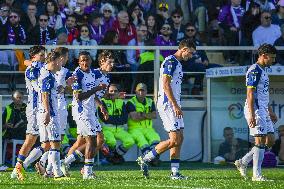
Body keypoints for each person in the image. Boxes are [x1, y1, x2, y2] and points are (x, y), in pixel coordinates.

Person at [136, 39, 196, 179]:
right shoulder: (171, 62)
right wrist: (175, 105)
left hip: (174, 104)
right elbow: (165, 85)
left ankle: (175, 173)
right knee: (174, 139)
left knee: (180, 138)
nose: (191, 56)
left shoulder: (178, 63)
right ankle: (145, 158)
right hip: (168, 104)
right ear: (184, 49)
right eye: (191, 53)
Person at [61, 50, 114, 179]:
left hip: (90, 111)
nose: (85, 62)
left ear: (91, 61)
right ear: (79, 62)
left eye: (87, 60)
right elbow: (79, 96)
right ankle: (86, 171)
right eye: (82, 60)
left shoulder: (91, 73)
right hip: (80, 111)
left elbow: (96, 94)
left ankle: (67, 162)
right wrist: (97, 89)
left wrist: (101, 105)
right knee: (93, 140)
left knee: (95, 140)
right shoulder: (78, 74)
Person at [234, 43, 278, 182]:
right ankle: (257, 175)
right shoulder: (254, 70)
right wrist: (252, 114)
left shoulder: (264, 70)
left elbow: (263, 94)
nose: (273, 60)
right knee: (259, 141)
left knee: (270, 140)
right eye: (271, 58)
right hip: (256, 110)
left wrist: (270, 110)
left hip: (263, 110)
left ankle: (243, 161)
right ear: (263, 56)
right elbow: (250, 94)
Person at [11, 45, 45, 180]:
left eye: (44, 54)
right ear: (34, 56)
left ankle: (23, 166)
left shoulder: (42, 67)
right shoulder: (32, 69)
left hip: (43, 108)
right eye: (41, 55)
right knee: (31, 139)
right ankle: (18, 167)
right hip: (35, 108)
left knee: (49, 142)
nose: (44, 57)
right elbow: (40, 88)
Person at [99, 84, 134, 162]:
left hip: (119, 129)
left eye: (115, 91)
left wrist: (111, 118)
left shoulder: (121, 102)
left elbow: (124, 119)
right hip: (106, 129)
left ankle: (116, 155)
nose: (113, 93)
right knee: (112, 141)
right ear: (107, 92)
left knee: (130, 140)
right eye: (111, 91)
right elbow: (104, 119)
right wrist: (117, 119)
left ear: (118, 93)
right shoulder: (102, 102)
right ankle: (111, 157)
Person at [127, 83, 160, 164]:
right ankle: (152, 160)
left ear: (146, 92)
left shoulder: (150, 101)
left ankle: (152, 158)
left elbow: (154, 115)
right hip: (134, 129)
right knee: (143, 142)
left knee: (156, 140)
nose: (141, 93)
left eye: (143, 90)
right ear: (135, 91)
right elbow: (134, 118)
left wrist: (141, 114)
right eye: (139, 90)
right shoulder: (131, 102)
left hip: (148, 129)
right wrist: (148, 115)